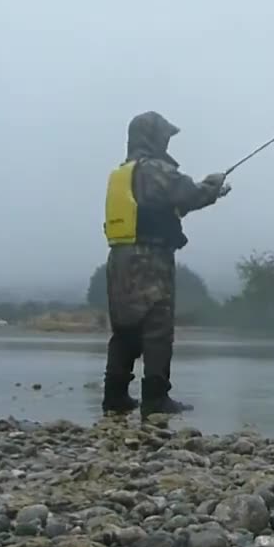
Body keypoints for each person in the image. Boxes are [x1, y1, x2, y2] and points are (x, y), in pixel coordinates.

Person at [101, 111, 231, 415]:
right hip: (150, 259)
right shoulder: (156, 170)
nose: (167, 141)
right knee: (156, 326)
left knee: (124, 329)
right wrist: (213, 185)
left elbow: (158, 208)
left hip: (118, 260)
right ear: (153, 136)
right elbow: (188, 193)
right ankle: (156, 399)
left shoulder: (121, 174)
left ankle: (115, 396)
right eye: (165, 136)